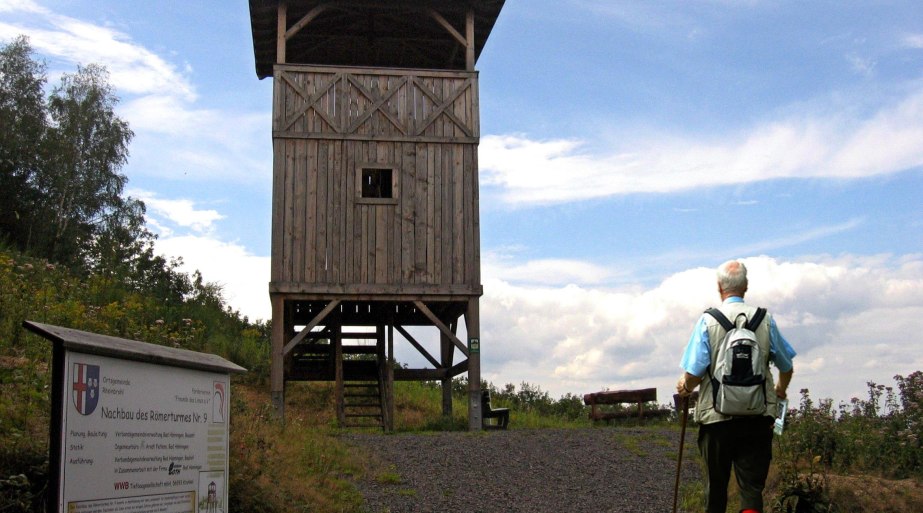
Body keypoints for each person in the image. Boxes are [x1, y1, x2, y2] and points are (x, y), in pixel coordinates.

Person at [676, 260, 796, 513]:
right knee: (751, 488)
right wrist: (780, 391)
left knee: (716, 487)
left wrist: (685, 387)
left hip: (716, 419)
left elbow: (694, 374)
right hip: (757, 417)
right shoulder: (765, 320)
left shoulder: (708, 321)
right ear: (746, 286)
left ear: (719, 287)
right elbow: (786, 367)